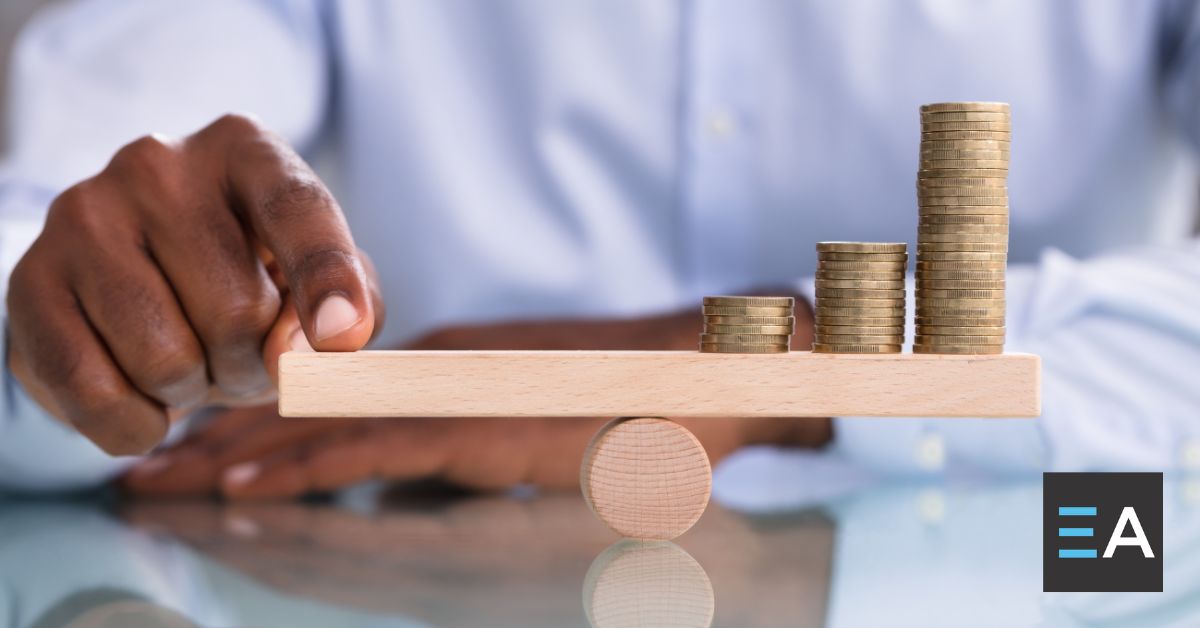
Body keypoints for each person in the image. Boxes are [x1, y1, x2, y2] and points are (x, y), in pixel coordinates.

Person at [1, 0, 1198, 497]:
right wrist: (89, 309)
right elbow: (53, 219)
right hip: (397, 556)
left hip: (1047, 547)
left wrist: (764, 366)